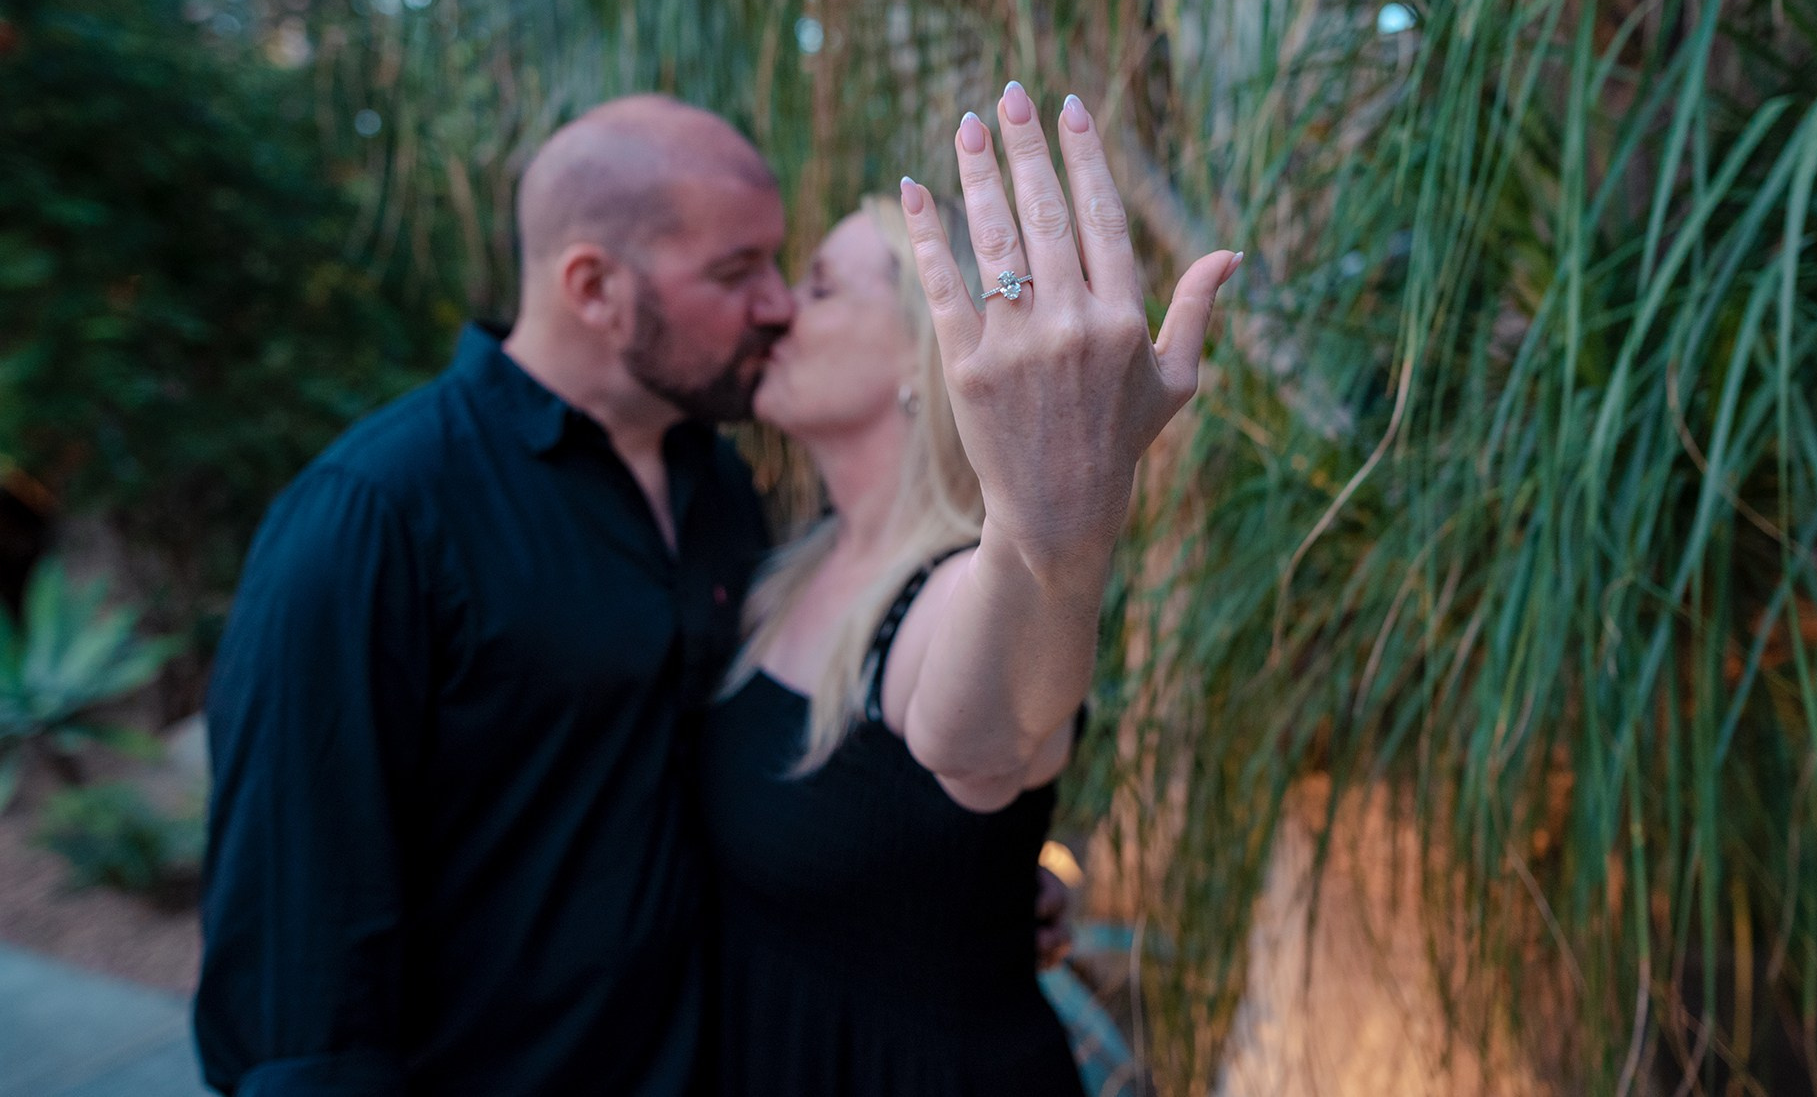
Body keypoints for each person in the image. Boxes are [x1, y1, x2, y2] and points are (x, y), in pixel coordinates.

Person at [195, 83, 1234, 1096]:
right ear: (595, 288)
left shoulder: (723, 501)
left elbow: (973, 739)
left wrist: (955, 880)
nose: (775, 304)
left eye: (798, 273)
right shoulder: (374, 517)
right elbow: (297, 967)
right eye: (741, 270)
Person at [700, 87, 1241, 1095]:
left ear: (926, 348)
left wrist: (1054, 532)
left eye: (819, 287)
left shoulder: (948, 593)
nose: (776, 308)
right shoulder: (781, 558)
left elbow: (981, 741)